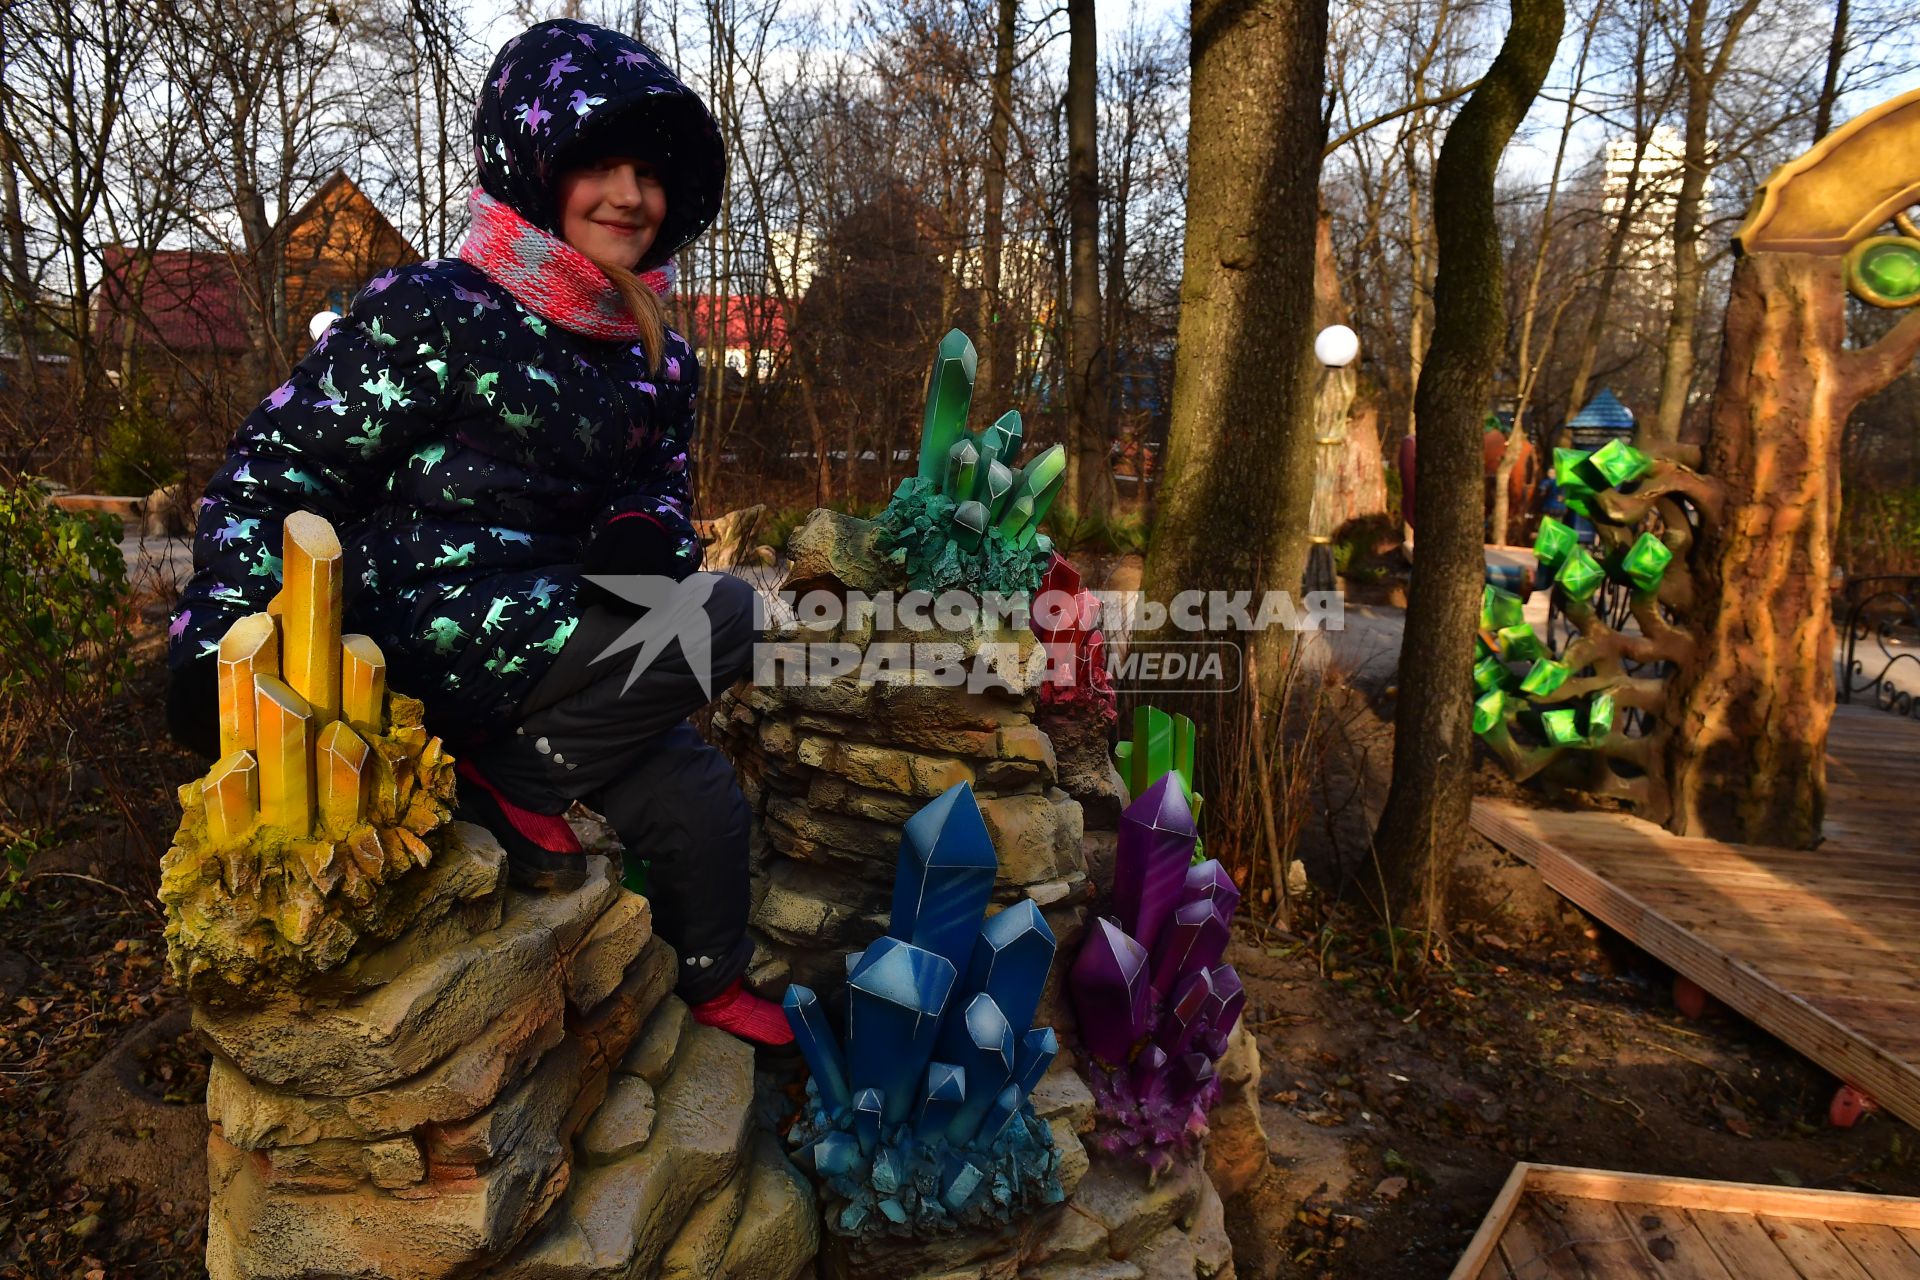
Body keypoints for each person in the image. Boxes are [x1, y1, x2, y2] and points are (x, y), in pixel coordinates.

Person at [163, 19, 791, 1047]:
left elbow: (660, 486)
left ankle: (709, 979)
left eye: (650, 171)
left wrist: (645, 530)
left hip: (561, 647)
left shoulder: (656, 355)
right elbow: (284, 464)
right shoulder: (436, 310)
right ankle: (524, 775)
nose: (631, 195)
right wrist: (219, 630)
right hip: (432, 627)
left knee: (698, 792)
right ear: (536, 165)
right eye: (600, 163)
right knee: (729, 614)